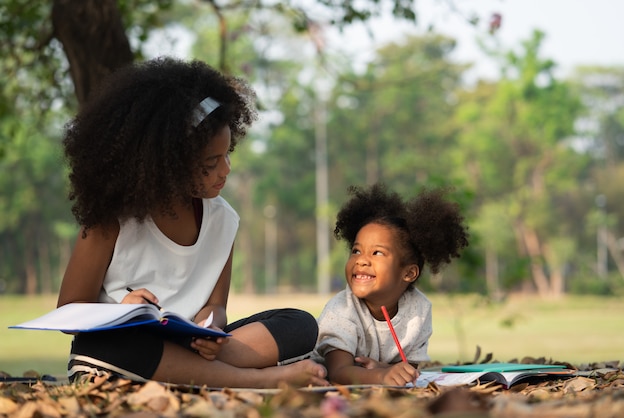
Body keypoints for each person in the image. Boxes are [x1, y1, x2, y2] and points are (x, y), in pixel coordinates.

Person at [58, 57, 328, 388]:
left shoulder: (223, 220)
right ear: (164, 166)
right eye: (210, 164)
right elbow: (69, 314)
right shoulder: (109, 221)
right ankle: (258, 380)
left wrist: (211, 328)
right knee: (105, 342)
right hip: (120, 349)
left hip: (189, 349)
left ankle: (191, 372)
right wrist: (120, 312)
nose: (225, 170)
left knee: (299, 324)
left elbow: (215, 305)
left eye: (227, 155)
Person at [315, 183, 469, 385]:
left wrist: (386, 369)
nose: (361, 260)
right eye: (356, 251)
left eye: (376, 253)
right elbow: (338, 372)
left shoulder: (419, 310)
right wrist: (382, 375)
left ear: (408, 273)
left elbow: (409, 368)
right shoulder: (341, 310)